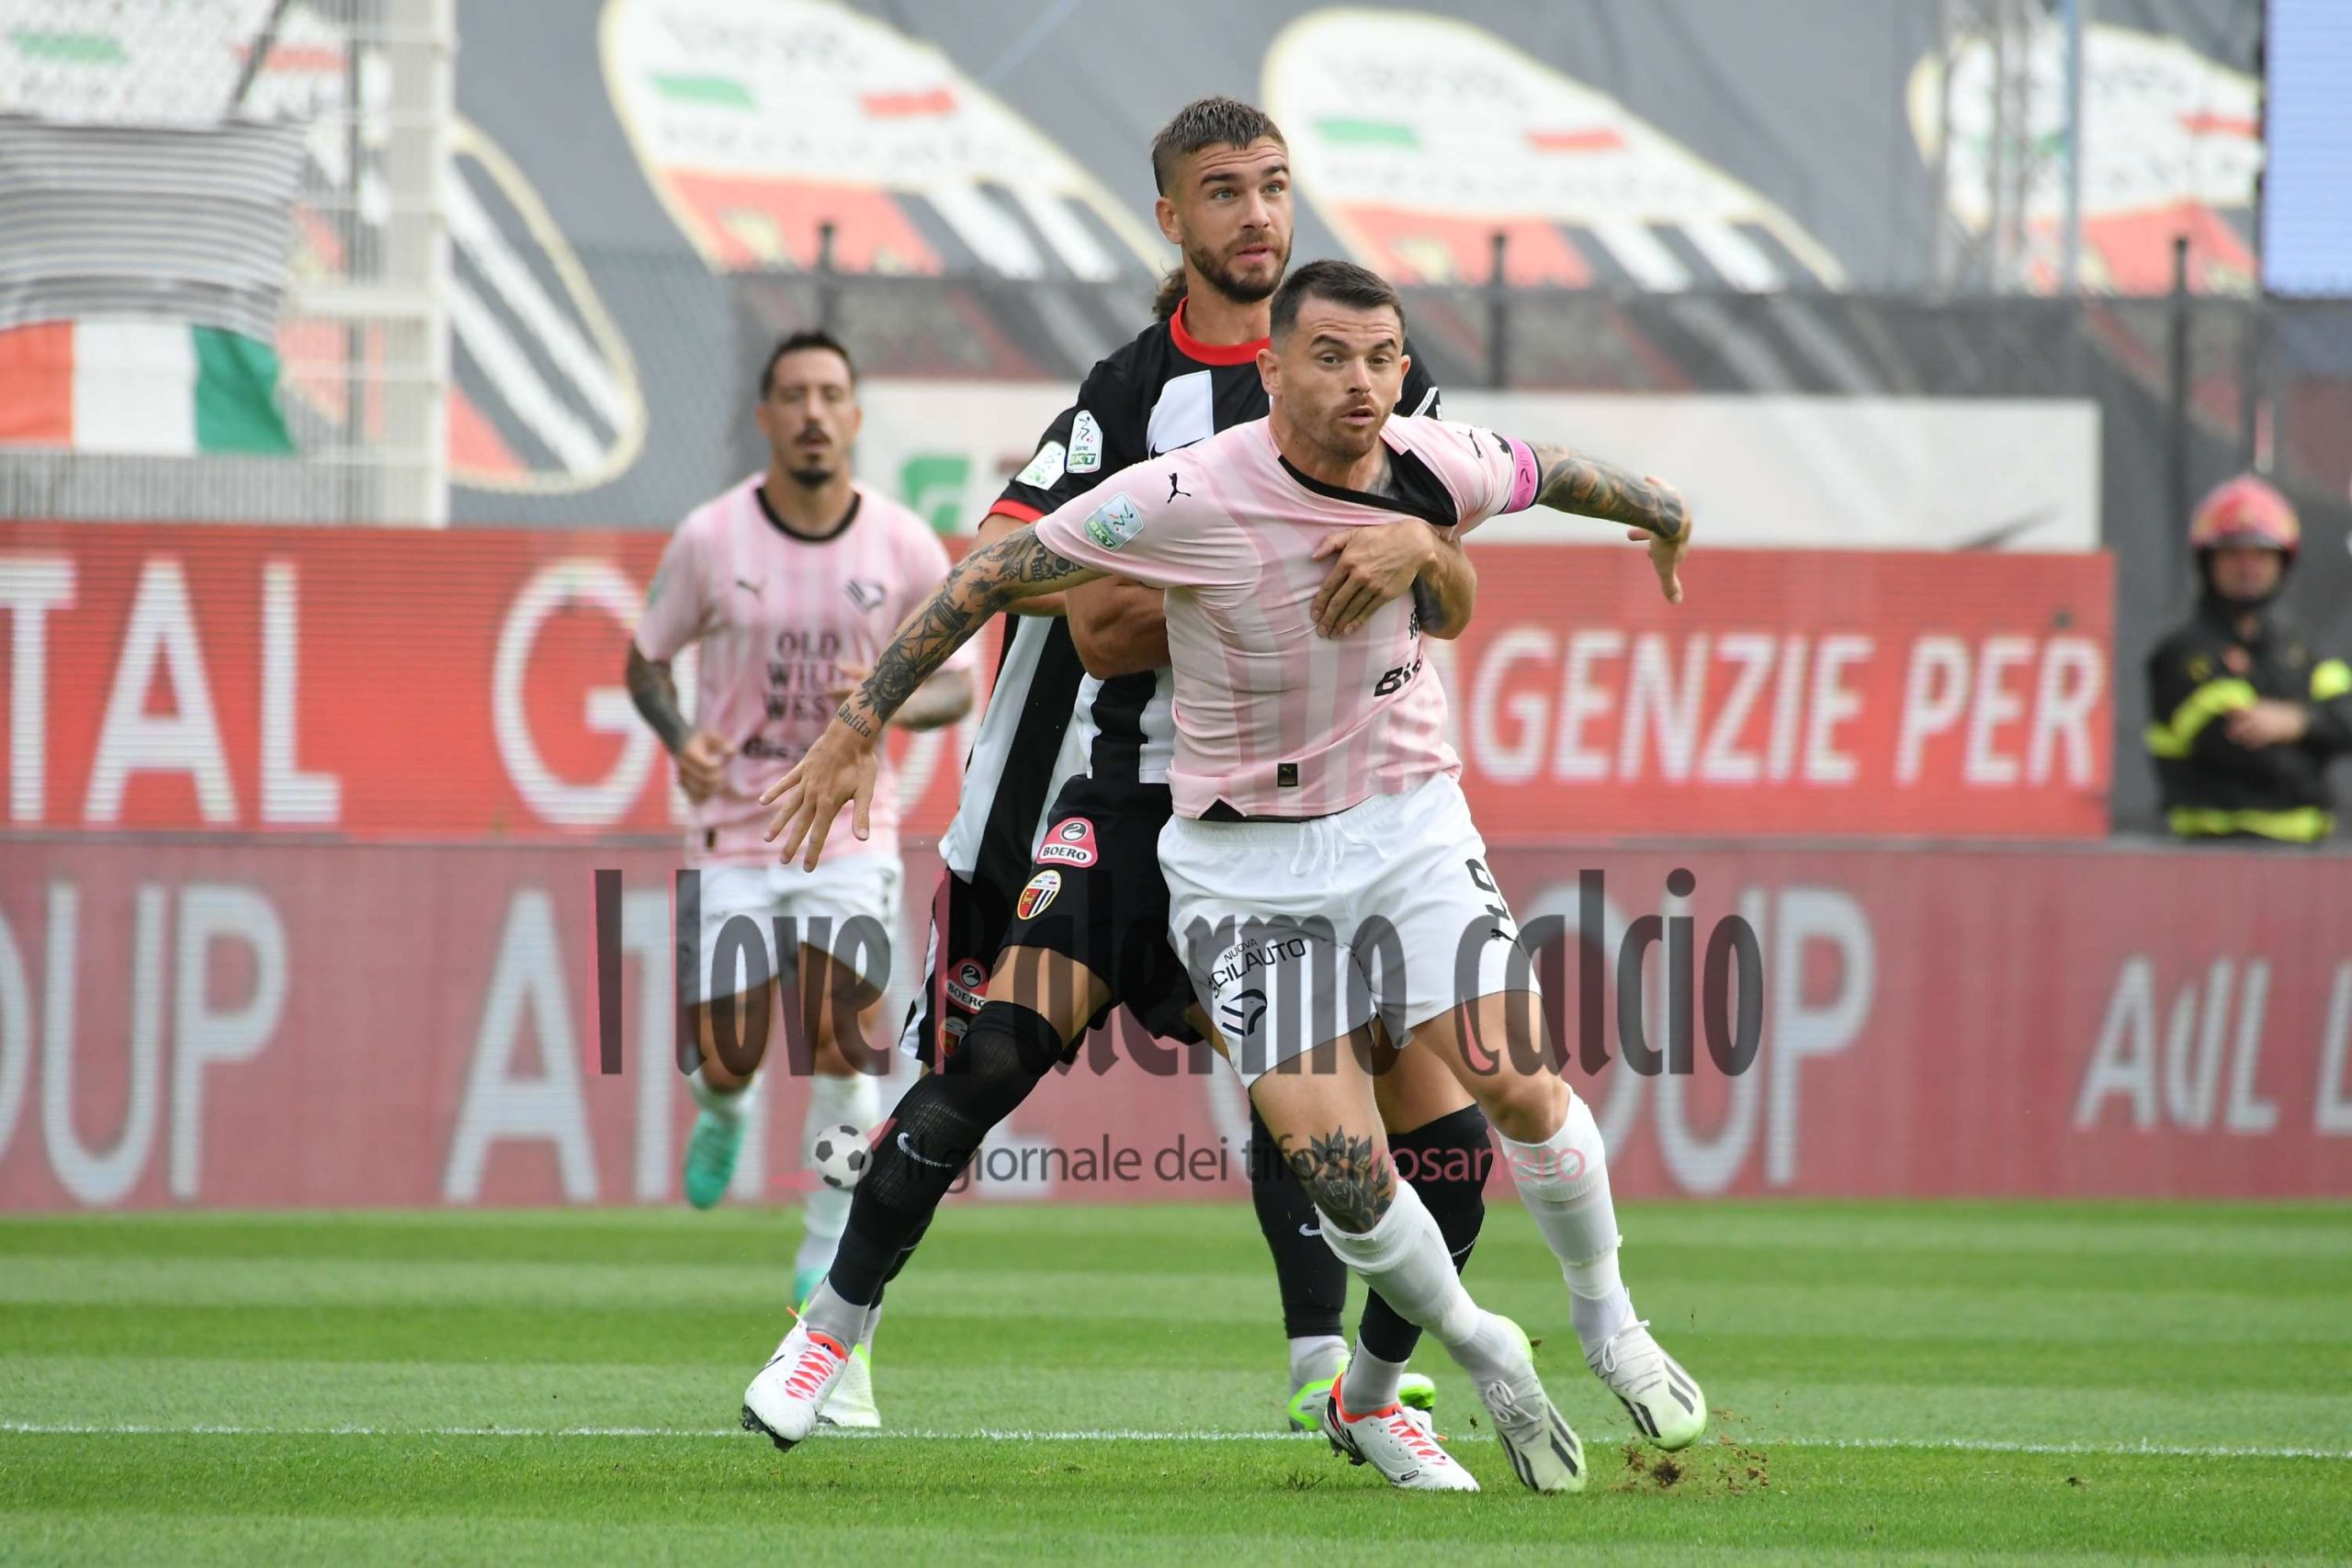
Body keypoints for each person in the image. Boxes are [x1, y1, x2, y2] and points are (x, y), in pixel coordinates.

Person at [751, 260, 1707, 1495]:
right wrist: (857, 722)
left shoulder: (1433, 464)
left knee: (1514, 1091)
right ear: (1272, 368)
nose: (1363, 383)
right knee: (1340, 1171)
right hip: (1240, 862)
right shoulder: (1187, 488)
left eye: (1382, 358)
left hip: (1405, 830)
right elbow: (997, 574)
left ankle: (1606, 1322)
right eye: (1332, 357)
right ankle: (1482, 1349)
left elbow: (1557, 473)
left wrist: (1662, 512)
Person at [831, 96, 1480, 1438]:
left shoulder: (1377, 377)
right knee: (975, 1067)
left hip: (1303, 802)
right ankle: (837, 1339)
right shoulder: (1130, 391)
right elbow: (1013, 566)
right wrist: (1172, 573)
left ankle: (1328, 1367)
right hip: (1092, 788)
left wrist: (1420, 554)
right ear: (1174, 218)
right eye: (1225, 191)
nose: (1257, 213)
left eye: (1274, 185)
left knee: (1315, 1071)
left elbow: (1443, 571)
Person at [625, 329, 975, 1427]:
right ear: (767, 418)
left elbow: (957, 684)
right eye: (794, 395)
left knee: (844, 1046)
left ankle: (826, 1285)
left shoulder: (902, 542)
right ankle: (721, 1105)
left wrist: (885, 697)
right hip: (735, 832)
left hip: (850, 835)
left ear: (854, 416)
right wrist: (680, 736)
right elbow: (645, 660)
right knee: (729, 1051)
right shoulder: (710, 537)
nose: (814, 412)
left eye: (831, 394)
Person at [2146, 474, 2352, 843]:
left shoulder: (2301, 650)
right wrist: (2316, 740)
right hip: (2210, 856)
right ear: (2208, 561)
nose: (2248, 568)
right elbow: (2239, 746)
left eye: (2261, 554)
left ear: (2283, 562)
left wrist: (2298, 721)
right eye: (2233, 554)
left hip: (2305, 858)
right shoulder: (2184, 652)